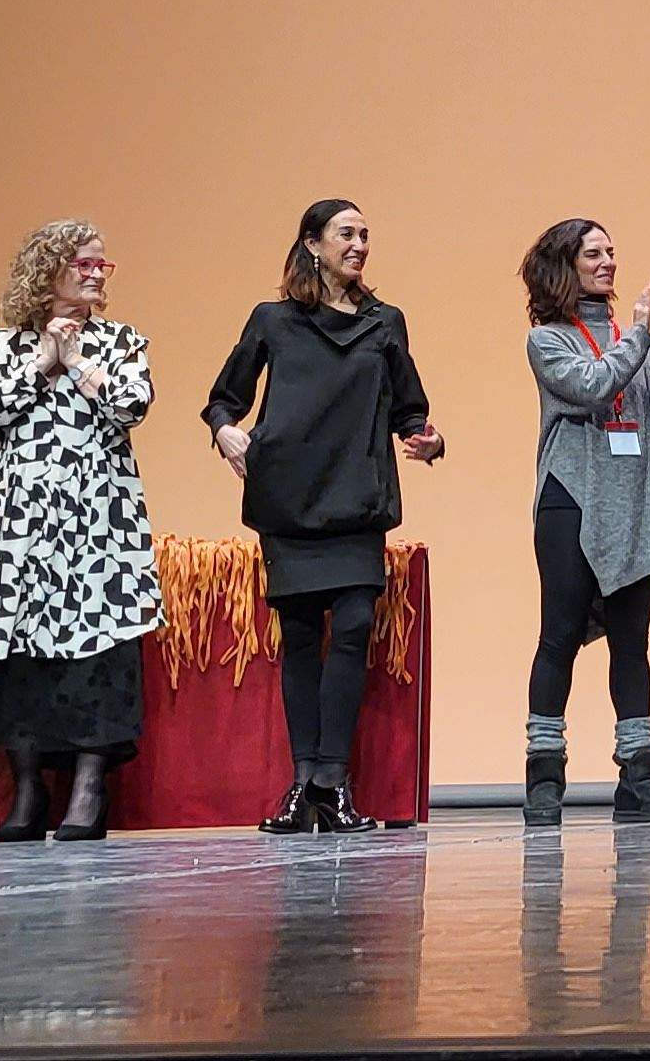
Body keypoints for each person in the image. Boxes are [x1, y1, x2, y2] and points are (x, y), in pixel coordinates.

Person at [200, 199, 440, 835]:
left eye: (365, 234)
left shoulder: (384, 323)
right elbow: (224, 399)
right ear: (312, 244)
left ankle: (333, 778)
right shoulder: (273, 321)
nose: (359, 244)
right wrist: (227, 432)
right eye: (346, 234)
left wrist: (425, 439)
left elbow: (410, 409)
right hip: (289, 499)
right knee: (301, 639)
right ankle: (303, 781)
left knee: (356, 626)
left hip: (357, 496)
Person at [0, 220, 160, 842]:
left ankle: (90, 790)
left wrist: (78, 362)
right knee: (20, 649)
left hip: (100, 521)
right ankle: (29, 789)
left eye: (101, 265)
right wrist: (42, 362)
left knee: (99, 649)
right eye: (84, 263)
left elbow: (131, 406)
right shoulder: (5, 346)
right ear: (49, 270)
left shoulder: (120, 341)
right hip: (21, 524)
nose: (95, 273)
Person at [516, 218, 650, 827]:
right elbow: (593, 385)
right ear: (565, 266)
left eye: (612, 251)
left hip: (634, 506)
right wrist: (642, 337)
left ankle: (638, 778)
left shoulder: (631, 336)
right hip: (572, 500)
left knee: (632, 643)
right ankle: (544, 778)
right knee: (559, 637)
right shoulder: (548, 341)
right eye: (594, 252)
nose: (609, 261)